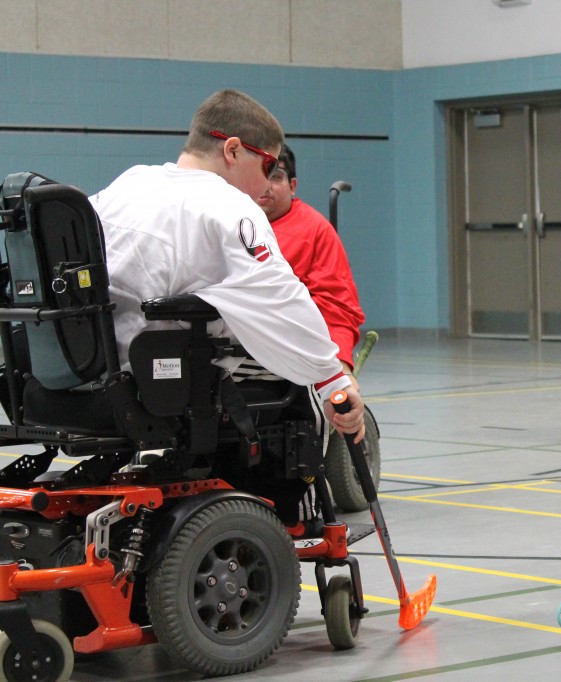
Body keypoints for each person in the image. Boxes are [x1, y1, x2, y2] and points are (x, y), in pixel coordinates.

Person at [90, 89, 364, 526]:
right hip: (160, 381)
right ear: (233, 150)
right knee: (307, 393)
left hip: (93, 376)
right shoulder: (227, 206)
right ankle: (288, 521)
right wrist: (334, 375)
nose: (266, 182)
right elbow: (281, 299)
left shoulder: (126, 185)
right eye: (268, 166)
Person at [255, 143, 365, 375]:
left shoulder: (316, 231)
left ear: (292, 186)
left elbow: (337, 308)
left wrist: (340, 366)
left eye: (275, 176)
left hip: (285, 355)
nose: (265, 185)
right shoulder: (222, 221)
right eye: (258, 175)